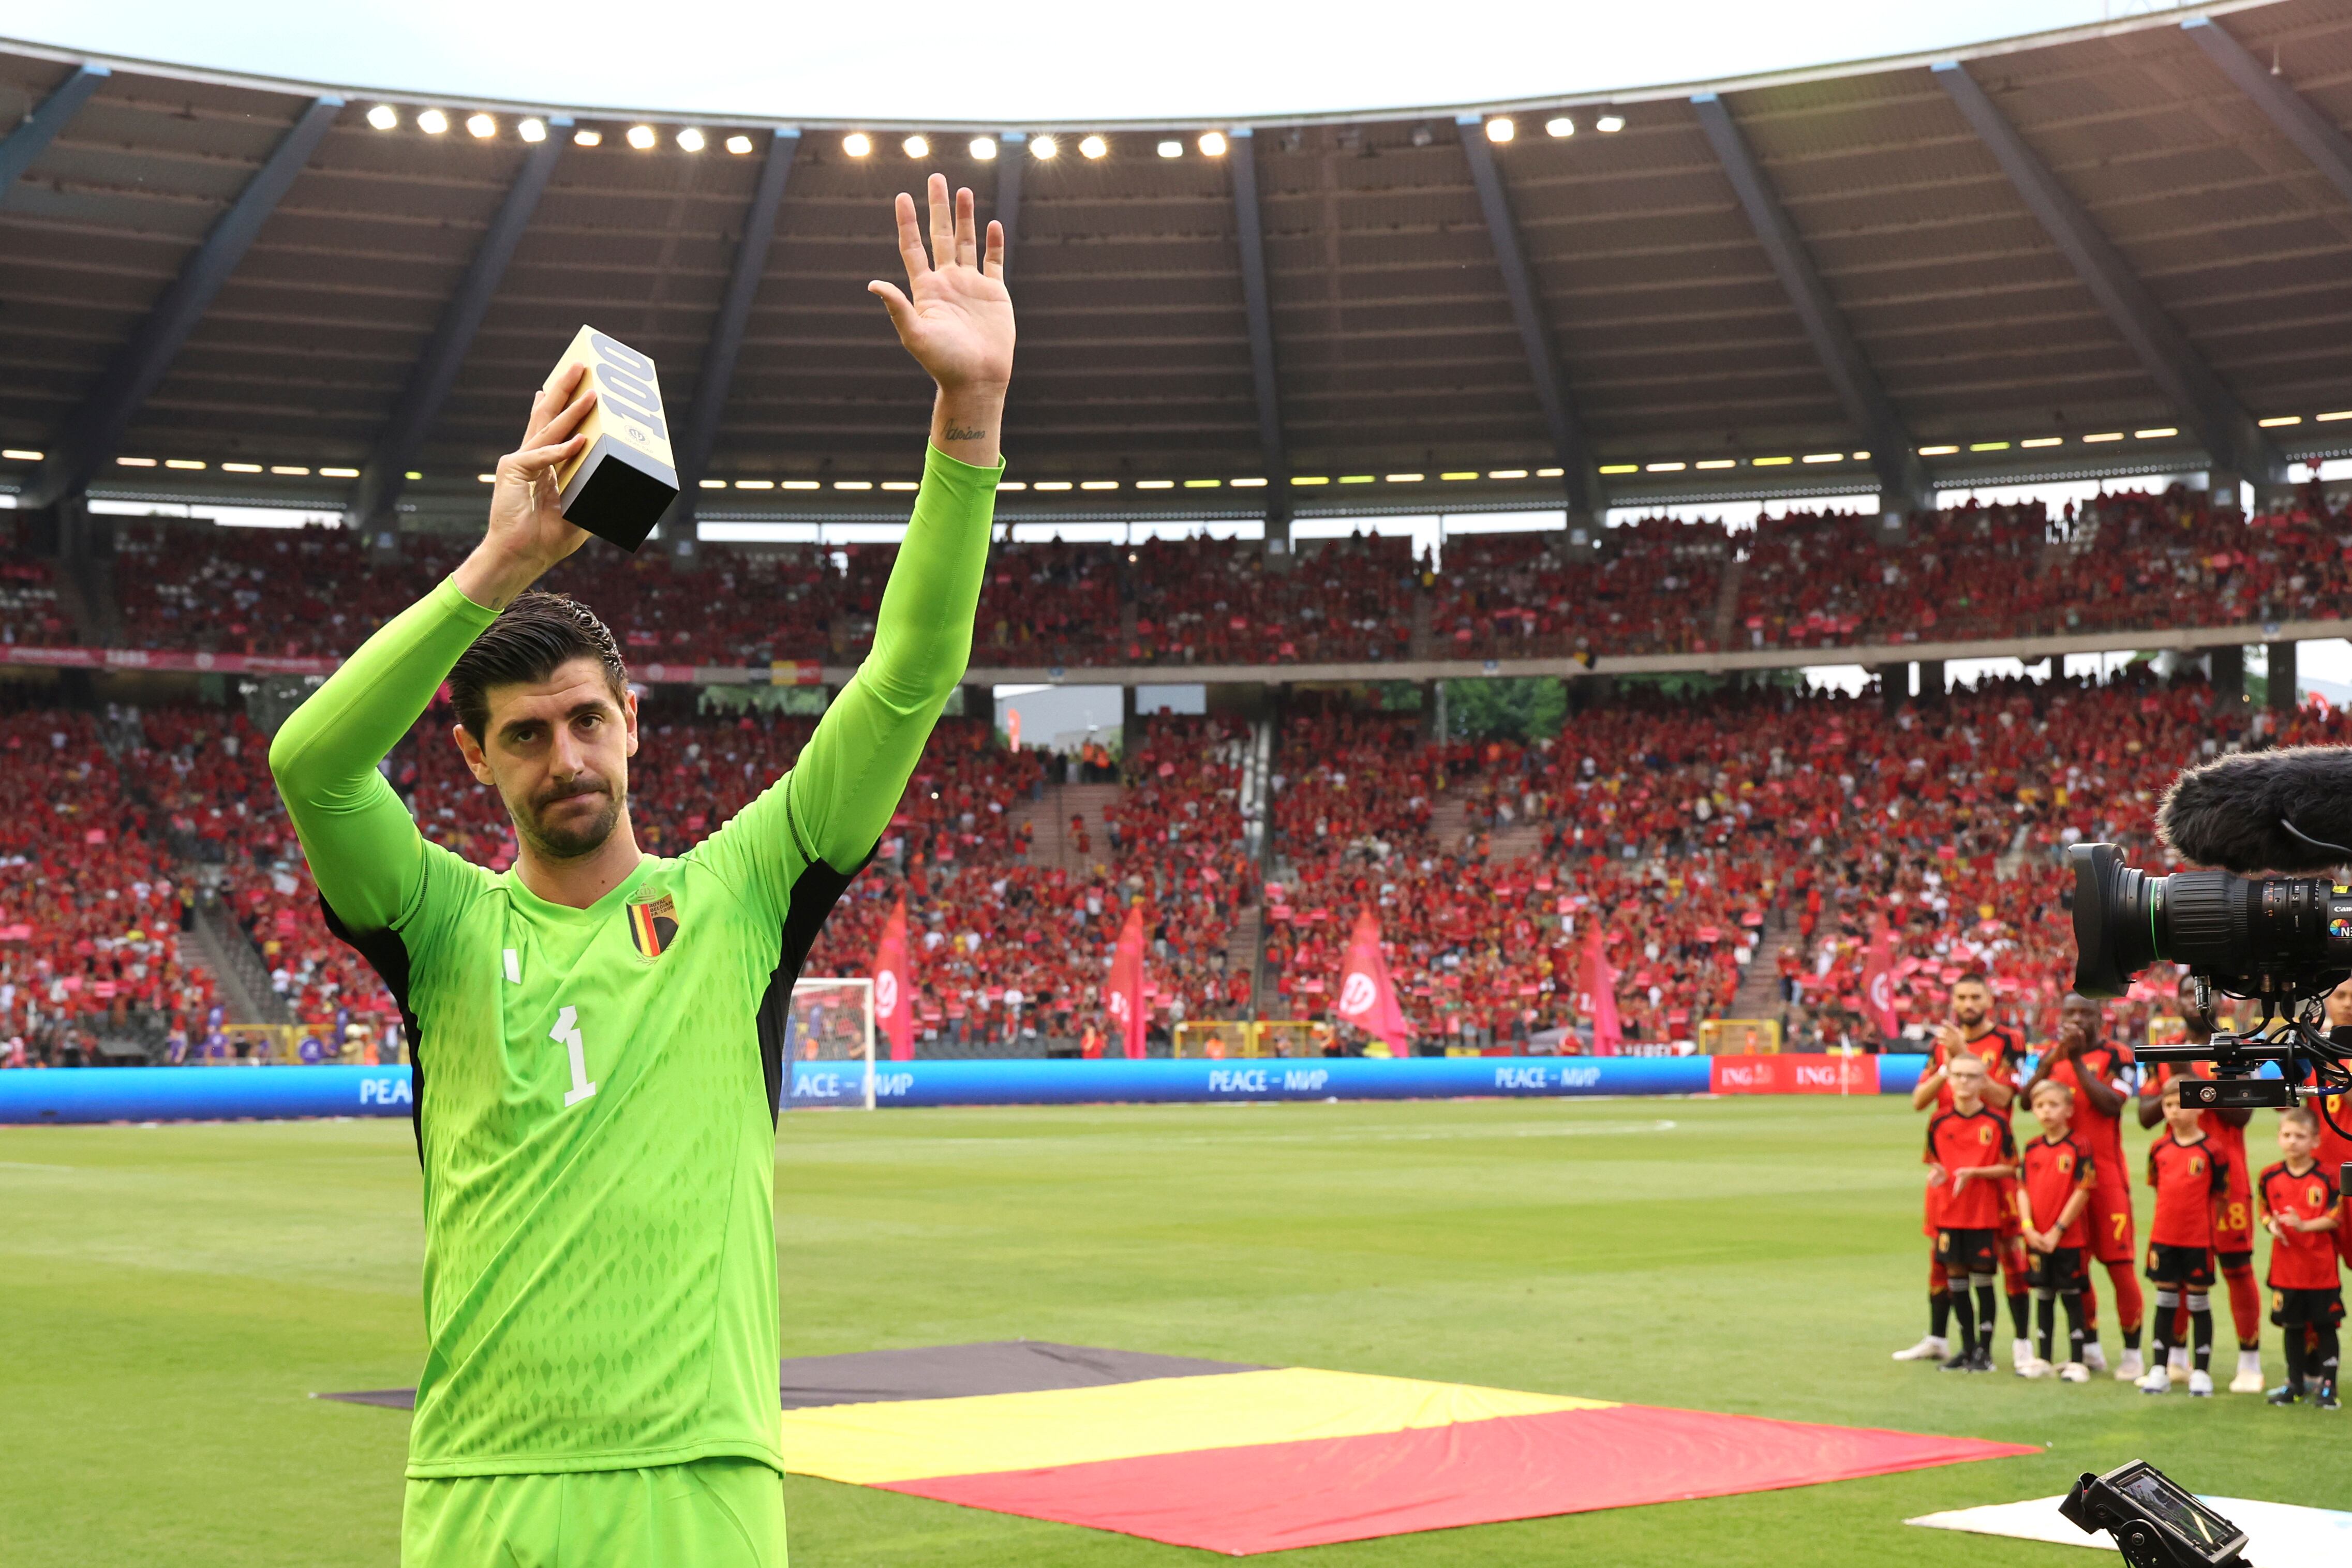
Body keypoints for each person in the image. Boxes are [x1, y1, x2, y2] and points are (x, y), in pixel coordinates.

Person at [269, 175, 1013, 1568]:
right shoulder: (437, 924)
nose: (567, 754)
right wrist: (498, 562)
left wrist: (966, 420)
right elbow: (313, 764)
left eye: (588, 715)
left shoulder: (741, 890)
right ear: (480, 758)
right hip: (486, 1482)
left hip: (701, 1476)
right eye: (527, 732)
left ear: (633, 718)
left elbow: (911, 673)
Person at [1896, 975, 2029, 1367]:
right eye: (1961, 997)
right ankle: (1939, 1337)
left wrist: (1963, 1053)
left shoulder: (2009, 1041)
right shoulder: (1942, 1047)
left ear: (1989, 999)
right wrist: (1947, 1064)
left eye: (1975, 996)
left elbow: (2006, 1098)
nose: (1968, 1003)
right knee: (1942, 1253)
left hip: (1991, 1164)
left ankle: (2021, 1342)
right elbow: (1919, 1101)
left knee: (2007, 1251)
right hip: (1948, 1161)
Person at [2138, 981, 2262, 1393]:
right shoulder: (2165, 1049)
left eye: (2205, 993)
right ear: (2177, 1002)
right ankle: (2175, 1357)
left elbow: (2241, 1117)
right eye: (2189, 993)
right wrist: (2173, 1086)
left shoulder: (2233, 1046)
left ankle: (2250, 1359)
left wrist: (2190, 1077)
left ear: (2220, 1001)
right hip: (2182, 1187)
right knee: (2173, 1273)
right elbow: (2144, 1114)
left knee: (2235, 1266)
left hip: (2227, 1181)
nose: (2197, 1001)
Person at [2024, 992, 2139, 1378]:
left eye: (2084, 1013)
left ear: (2099, 1018)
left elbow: (2112, 1103)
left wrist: (2074, 1060)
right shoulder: (2049, 1056)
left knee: (2119, 1265)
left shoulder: (2118, 1054)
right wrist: (2054, 1060)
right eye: (2070, 1012)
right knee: (2077, 1266)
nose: (2076, 1020)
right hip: (2062, 1181)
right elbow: (2026, 1100)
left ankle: (2133, 1351)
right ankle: (2088, 1345)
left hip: (2106, 1177)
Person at [1924, 1054, 2018, 1373]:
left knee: (1983, 1281)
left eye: (1972, 1076)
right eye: (1958, 1075)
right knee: (1956, 1282)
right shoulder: (1938, 1121)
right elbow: (1934, 1161)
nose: (1964, 1082)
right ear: (1948, 1080)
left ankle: (1985, 1351)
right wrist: (1938, 1174)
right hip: (1949, 1213)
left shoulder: (1996, 1123)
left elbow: (2010, 1166)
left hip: (1981, 1213)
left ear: (1983, 1081)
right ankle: (1965, 1348)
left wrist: (1975, 1173)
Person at [2139, 1079, 2229, 1396]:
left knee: (2198, 1302)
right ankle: (2159, 1368)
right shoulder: (2159, 1148)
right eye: (2168, 1105)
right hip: (2164, 1238)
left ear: (2199, 1107)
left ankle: (2201, 1372)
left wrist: (2208, 1232)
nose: (2175, 1111)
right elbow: (2157, 1187)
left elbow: (2220, 1196)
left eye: (2181, 1104)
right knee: (2165, 1302)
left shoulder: (2213, 1150)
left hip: (2198, 1241)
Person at [2258, 1107, 2342, 1408]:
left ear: (2315, 1141)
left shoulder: (2328, 1177)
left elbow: (2336, 1217)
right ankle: (2294, 1384)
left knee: (2325, 1326)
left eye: (2300, 1136)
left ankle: (2328, 1387)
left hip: (2320, 1270)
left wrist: (2304, 1225)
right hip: (2286, 1270)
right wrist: (2272, 1226)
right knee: (2292, 1327)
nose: (2293, 1141)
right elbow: (2263, 1210)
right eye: (2287, 1135)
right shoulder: (2269, 1176)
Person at [2018, 1078, 2096, 1381]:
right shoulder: (2032, 1147)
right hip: (2037, 1236)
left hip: (2068, 1237)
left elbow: (2084, 1189)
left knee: (2072, 1295)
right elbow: (2022, 1189)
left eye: (2053, 1105)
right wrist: (2028, 1228)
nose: (2046, 1112)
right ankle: (2043, 1357)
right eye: (2040, 1106)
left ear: (2068, 1109)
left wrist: (2058, 1229)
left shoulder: (2079, 1145)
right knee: (2043, 1294)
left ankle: (2078, 1359)